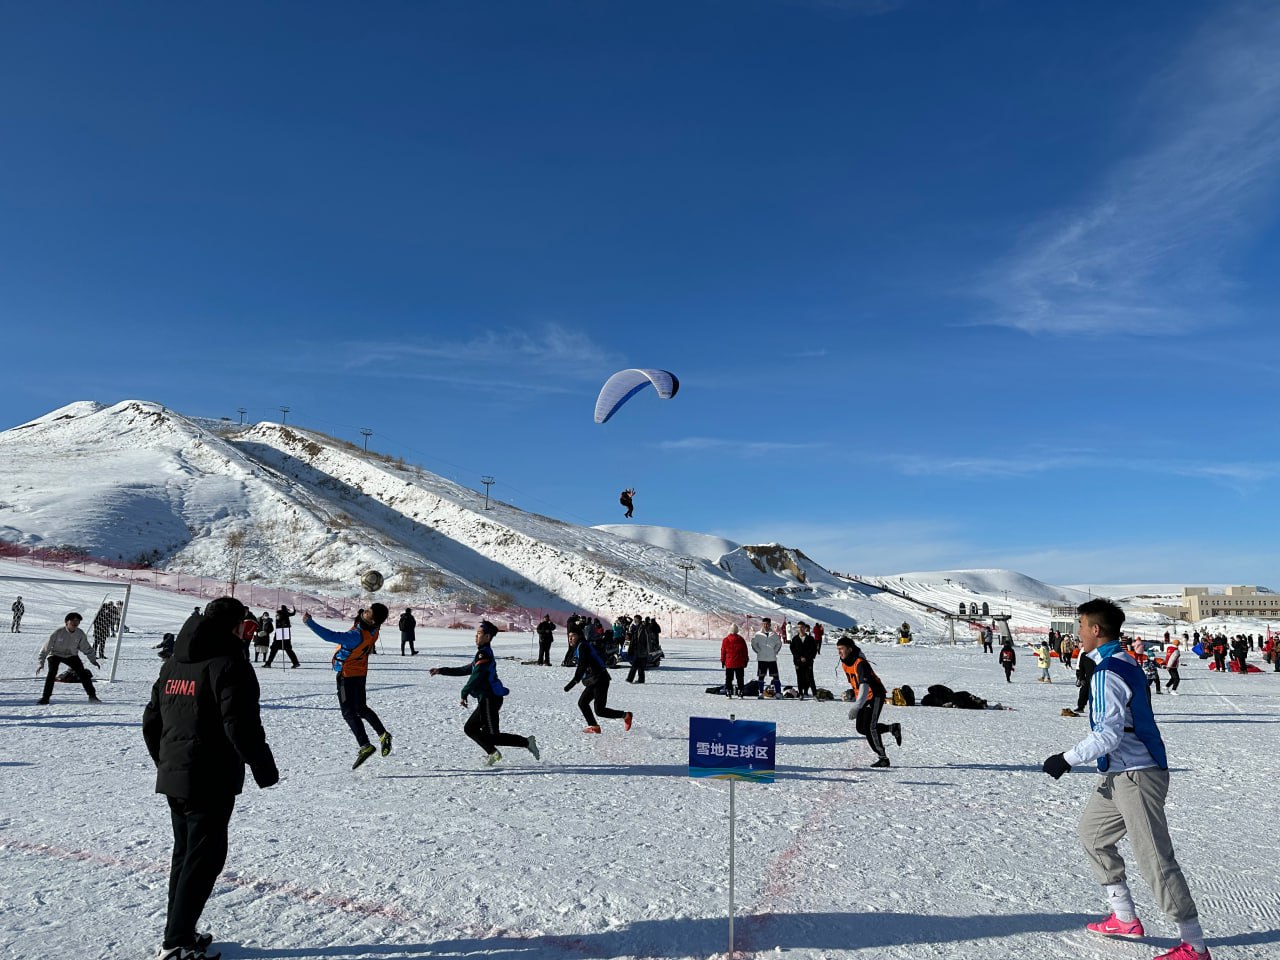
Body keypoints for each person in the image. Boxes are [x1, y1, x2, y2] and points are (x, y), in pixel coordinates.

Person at [1041, 598, 1210, 960]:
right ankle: (1125, 918)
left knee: (1154, 856)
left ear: (1096, 630)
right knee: (1093, 835)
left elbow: (1108, 734)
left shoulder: (1108, 672)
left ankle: (1194, 945)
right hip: (1117, 773)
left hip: (1137, 773)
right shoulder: (1117, 661)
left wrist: (1065, 759)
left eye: (1082, 627)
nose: (1078, 634)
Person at [142, 597, 278, 960]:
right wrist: (263, 768)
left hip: (177, 773)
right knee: (203, 859)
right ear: (234, 626)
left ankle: (180, 933)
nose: (247, 633)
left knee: (186, 855)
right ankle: (175, 944)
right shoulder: (230, 665)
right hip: (210, 776)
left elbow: (151, 720)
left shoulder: (173, 663)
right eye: (244, 626)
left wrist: (167, 762)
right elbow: (241, 726)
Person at [429, 620, 539, 765]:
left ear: (487, 637)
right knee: (471, 729)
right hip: (487, 699)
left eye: (479, 634)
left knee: (492, 736)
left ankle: (526, 742)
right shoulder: (482, 654)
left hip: (491, 698)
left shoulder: (484, 655)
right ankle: (493, 753)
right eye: (476, 634)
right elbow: (466, 670)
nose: (476, 636)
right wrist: (441, 670)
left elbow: (477, 676)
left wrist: (464, 693)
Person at [302, 605, 392, 769]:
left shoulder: (355, 636)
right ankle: (383, 734)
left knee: (349, 712)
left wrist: (310, 622)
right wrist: (363, 616)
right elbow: (367, 621)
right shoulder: (374, 629)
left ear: (371, 619)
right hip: (361, 672)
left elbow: (329, 636)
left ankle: (365, 745)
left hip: (348, 676)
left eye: (368, 612)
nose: (365, 611)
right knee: (361, 708)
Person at [836, 637, 900, 768]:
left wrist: (857, 706)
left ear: (850, 649)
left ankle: (883, 758)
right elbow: (856, 683)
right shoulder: (845, 662)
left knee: (870, 727)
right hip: (863, 696)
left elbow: (864, 685)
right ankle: (892, 728)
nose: (839, 652)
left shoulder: (860, 663)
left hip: (874, 695)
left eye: (841, 649)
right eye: (838, 649)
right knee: (861, 728)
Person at [564, 629, 632, 734]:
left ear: (579, 636)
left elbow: (583, 665)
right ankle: (594, 726)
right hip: (593, 680)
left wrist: (574, 681)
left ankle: (626, 715)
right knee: (583, 703)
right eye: (569, 636)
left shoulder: (583, 646)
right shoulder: (579, 646)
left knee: (599, 710)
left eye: (573, 635)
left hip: (600, 679)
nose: (570, 639)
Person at [36, 612, 100, 705]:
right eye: (73, 620)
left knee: (83, 674)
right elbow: (46, 648)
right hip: (55, 654)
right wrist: (40, 663)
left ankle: (92, 696)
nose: (75, 623)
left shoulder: (80, 634)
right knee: (52, 673)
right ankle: (45, 698)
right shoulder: (58, 632)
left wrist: (93, 660)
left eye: (78, 621)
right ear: (66, 622)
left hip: (71, 655)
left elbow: (86, 648)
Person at [751, 618, 783, 698]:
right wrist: (759, 651)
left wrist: (775, 651)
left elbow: (779, 644)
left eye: (767, 624)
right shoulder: (758, 634)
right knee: (761, 676)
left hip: (772, 658)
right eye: (764, 624)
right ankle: (761, 692)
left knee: (775, 676)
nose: (766, 625)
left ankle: (778, 693)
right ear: (762, 624)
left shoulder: (774, 634)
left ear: (770, 624)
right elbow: (754, 644)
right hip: (762, 658)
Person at [790, 622, 818, 699]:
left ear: (805, 628)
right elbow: (793, 650)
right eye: (799, 627)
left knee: (810, 678)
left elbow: (814, 650)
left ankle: (815, 694)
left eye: (802, 627)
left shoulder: (810, 639)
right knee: (800, 678)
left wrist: (808, 657)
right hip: (798, 662)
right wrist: (799, 657)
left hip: (808, 661)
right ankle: (801, 693)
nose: (801, 629)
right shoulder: (795, 639)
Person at [720, 624, 749, 697]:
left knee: (729, 678)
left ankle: (728, 691)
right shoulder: (741, 639)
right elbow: (745, 651)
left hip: (729, 663)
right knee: (740, 678)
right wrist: (746, 660)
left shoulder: (725, 640)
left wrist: (723, 661)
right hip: (739, 663)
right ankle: (740, 691)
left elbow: (723, 651)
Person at [625, 619, 648, 684]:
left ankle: (630, 679)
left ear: (639, 620)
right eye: (634, 620)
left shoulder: (642, 628)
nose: (634, 621)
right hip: (635, 649)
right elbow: (631, 637)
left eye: (636, 620)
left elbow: (645, 639)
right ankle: (641, 680)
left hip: (640, 649)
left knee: (634, 665)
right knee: (640, 666)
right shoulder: (634, 628)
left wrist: (646, 649)